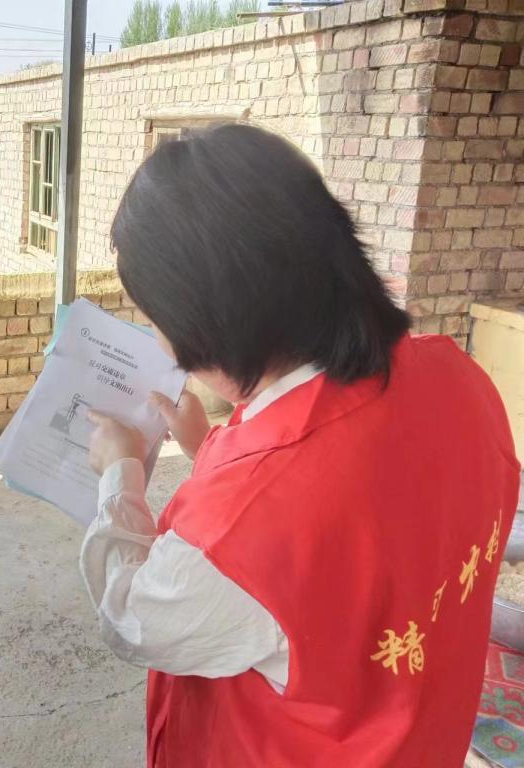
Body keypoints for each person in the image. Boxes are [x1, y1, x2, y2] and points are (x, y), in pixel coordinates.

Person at [82, 123, 520, 767]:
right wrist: (216, 453)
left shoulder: (242, 536)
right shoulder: (459, 378)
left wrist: (119, 473)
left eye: (155, 318)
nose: (158, 339)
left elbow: (133, 619)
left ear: (210, 324)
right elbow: (360, 524)